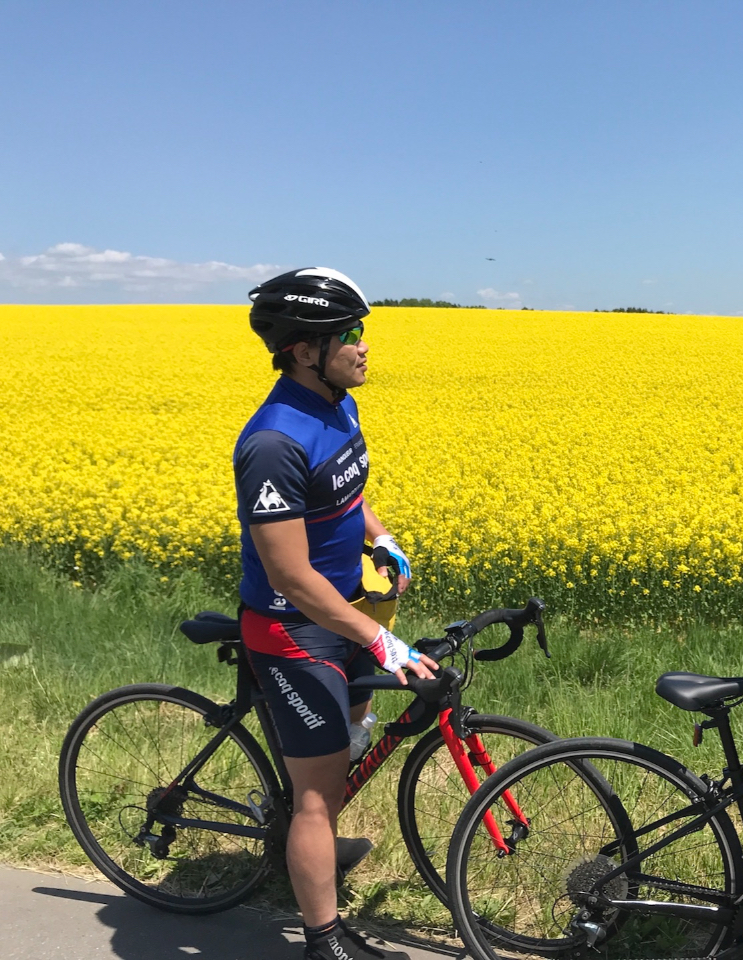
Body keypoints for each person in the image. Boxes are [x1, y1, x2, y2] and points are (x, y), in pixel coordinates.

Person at [236, 267, 433, 960]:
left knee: (346, 747)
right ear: (302, 350)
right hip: (294, 628)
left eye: (362, 332)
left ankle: (300, 827)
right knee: (319, 794)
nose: (363, 346)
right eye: (349, 334)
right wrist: (380, 639)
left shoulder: (338, 404)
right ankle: (323, 941)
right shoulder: (272, 443)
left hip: (346, 609)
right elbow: (289, 573)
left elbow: (346, 491)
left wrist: (380, 537)